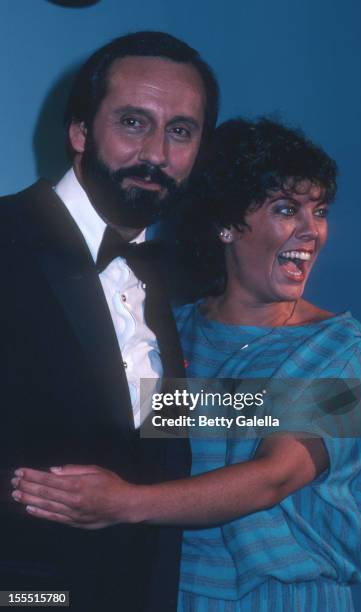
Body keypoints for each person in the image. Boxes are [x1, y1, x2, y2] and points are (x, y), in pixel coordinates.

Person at [12, 119, 361, 611]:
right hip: (172, 593)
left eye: (319, 211)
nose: (311, 230)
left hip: (285, 599)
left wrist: (122, 503)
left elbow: (274, 476)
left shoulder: (345, 349)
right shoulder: (170, 331)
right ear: (226, 226)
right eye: (286, 209)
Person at [0, 30, 219, 611]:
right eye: (132, 122)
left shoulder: (185, 280)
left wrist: (342, 398)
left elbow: (175, 418)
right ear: (78, 132)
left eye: (181, 131)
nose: (157, 154)